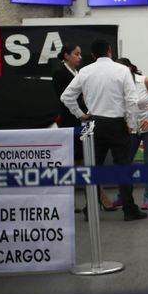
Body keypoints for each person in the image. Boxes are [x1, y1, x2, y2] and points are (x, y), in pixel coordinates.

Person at [60, 39, 147, 221]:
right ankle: (129, 209)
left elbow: (66, 96)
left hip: (93, 124)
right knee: (123, 168)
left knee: (91, 169)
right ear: (109, 51)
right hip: (117, 124)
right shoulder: (122, 70)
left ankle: (89, 209)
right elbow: (131, 101)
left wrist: (81, 114)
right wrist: (131, 124)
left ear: (92, 55)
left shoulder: (85, 71)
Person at [52, 43, 116, 213]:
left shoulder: (79, 73)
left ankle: (98, 199)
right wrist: (80, 113)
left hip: (84, 122)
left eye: (80, 54)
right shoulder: (60, 73)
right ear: (66, 55)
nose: (80, 57)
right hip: (70, 123)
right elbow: (65, 98)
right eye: (76, 54)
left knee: (87, 161)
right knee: (74, 163)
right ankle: (80, 201)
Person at [116, 58, 148, 210]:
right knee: (125, 163)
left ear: (130, 68)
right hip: (131, 129)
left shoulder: (145, 81)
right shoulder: (117, 85)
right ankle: (123, 197)